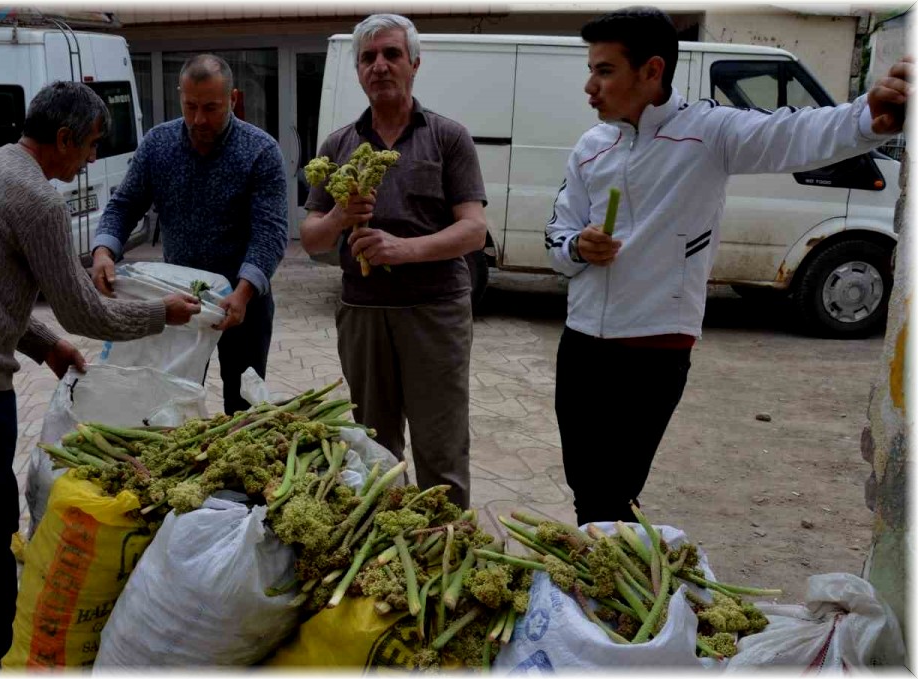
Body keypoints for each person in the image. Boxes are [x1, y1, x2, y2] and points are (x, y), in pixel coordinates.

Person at [546, 6, 911, 525]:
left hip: (654, 346)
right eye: (592, 69)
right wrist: (580, 249)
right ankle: (598, 588)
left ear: (652, 71)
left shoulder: (708, 133)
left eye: (604, 71)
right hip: (581, 342)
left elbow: (792, 134)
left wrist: (865, 119)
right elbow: (556, 236)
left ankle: (613, 591)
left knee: (615, 491)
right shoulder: (589, 149)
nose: (590, 86)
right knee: (585, 485)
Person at [0, 81, 201, 666]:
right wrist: (162, 313)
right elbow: (86, 309)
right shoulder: (37, 200)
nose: (88, 161)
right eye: (89, 147)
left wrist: (46, 344)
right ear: (63, 138)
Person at [300, 13, 489, 509]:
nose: (379, 65)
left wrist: (403, 250)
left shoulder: (448, 137)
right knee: (374, 447)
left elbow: (474, 229)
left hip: (435, 314)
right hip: (363, 315)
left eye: (391, 54)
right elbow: (311, 239)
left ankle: (445, 551)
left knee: (440, 449)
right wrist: (342, 214)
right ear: (358, 71)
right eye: (368, 58)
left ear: (414, 64)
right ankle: (386, 549)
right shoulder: (339, 146)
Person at [90, 54, 289, 416]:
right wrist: (104, 250)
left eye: (211, 108)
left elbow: (270, 233)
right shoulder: (158, 145)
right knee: (171, 400)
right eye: (190, 106)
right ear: (180, 96)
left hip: (243, 303)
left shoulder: (260, 151)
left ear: (233, 99)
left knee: (242, 408)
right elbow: (124, 205)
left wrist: (243, 292)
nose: (199, 119)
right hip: (179, 301)